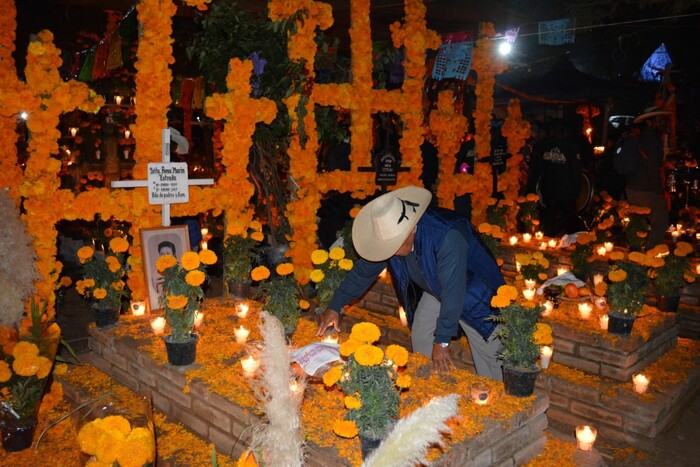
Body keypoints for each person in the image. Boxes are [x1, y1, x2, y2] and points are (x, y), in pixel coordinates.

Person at [315, 186, 505, 379]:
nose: (391, 253)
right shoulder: (392, 240)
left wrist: (443, 341)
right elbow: (363, 272)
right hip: (437, 286)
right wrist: (335, 305)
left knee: (489, 354)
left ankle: (496, 400)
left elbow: (454, 290)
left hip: (474, 292)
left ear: (411, 229)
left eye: (394, 245)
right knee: (422, 332)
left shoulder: (448, 235)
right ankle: (428, 385)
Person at [527, 118, 583, 236]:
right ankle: (570, 244)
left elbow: (535, 169)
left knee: (549, 220)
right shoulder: (571, 147)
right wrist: (577, 191)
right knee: (570, 222)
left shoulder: (542, 146)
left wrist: (532, 189)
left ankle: (548, 241)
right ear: (564, 131)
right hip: (567, 191)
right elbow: (576, 171)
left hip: (549, 189)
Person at [625, 106, 671, 249]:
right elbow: (652, 167)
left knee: (638, 223)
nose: (661, 122)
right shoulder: (652, 138)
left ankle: (635, 255)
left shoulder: (641, 137)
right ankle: (651, 258)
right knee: (660, 221)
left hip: (633, 187)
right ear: (651, 122)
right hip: (646, 188)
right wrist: (659, 190)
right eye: (658, 119)